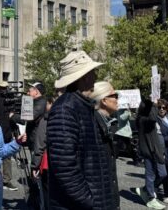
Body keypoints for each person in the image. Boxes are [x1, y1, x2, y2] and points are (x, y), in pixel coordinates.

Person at [47, 50, 116, 210]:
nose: (96, 76)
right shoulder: (65, 109)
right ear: (83, 77)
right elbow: (64, 166)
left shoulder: (83, 106)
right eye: (93, 72)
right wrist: (87, 200)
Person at [89, 81, 121, 210]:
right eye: (115, 95)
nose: (117, 99)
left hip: (108, 196)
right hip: (99, 200)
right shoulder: (93, 125)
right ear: (104, 100)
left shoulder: (107, 123)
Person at [134, 97, 167, 210]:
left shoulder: (151, 118)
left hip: (157, 150)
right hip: (149, 150)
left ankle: (145, 189)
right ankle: (150, 199)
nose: (158, 109)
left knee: (162, 173)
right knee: (150, 174)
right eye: (155, 107)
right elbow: (152, 118)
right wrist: (153, 104)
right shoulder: (143, 119)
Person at [0, 81, 18, 190]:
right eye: (3, 88)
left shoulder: (10, 99)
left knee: (7, 156)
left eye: (6, 88)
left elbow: (12, 114)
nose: (5, 90)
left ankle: (6, 180)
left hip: (7, 131)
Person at [30, 96, 53, 210]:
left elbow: (40, 144)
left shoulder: (46, 119)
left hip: (48, 162)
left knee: (47, 193)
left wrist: (35, 165)